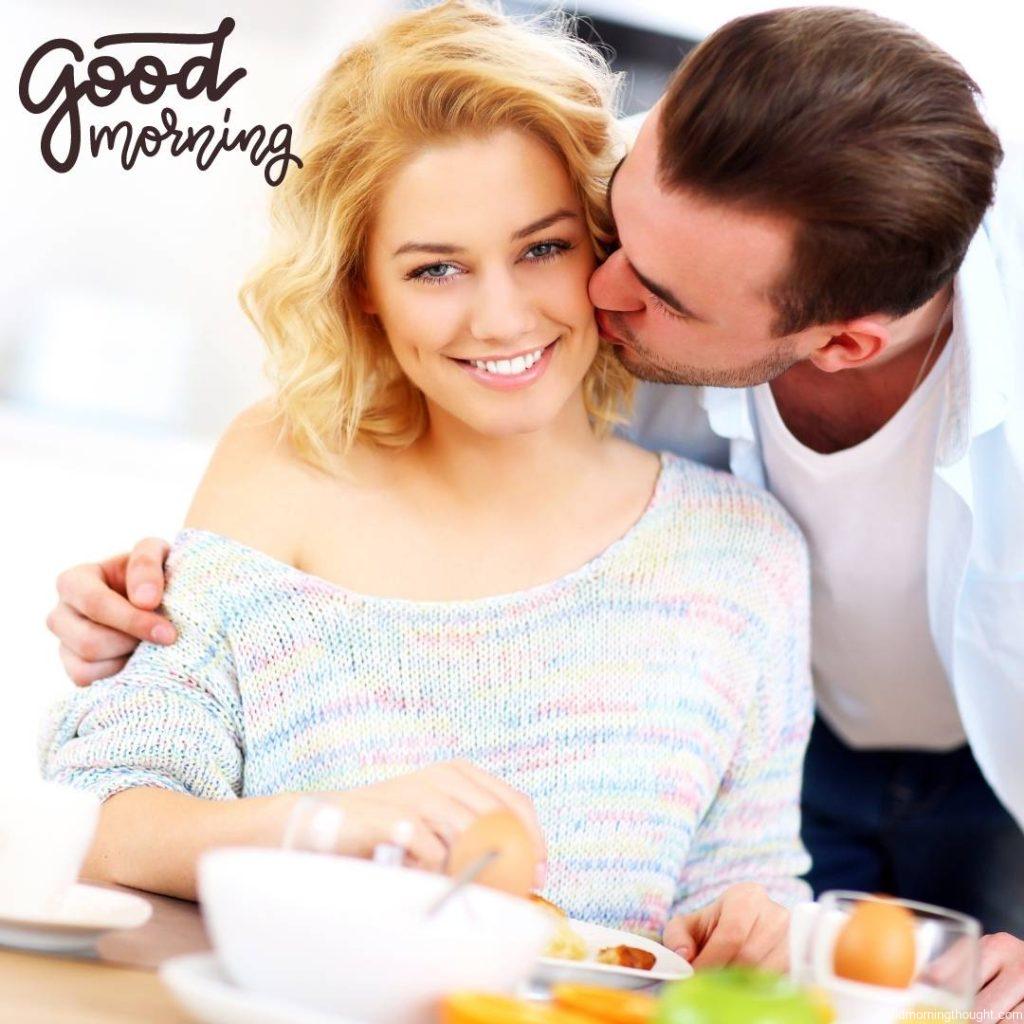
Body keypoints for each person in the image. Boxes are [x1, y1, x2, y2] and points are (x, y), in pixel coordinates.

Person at [46, 5, 1024, 1010]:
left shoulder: (738, 549)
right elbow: (108, 810)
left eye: (545, 250)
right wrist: (323, 823)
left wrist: (748, 929)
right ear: (363, 287)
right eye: (433, 267)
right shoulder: (283, 464)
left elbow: (742, 903)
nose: (509, 315)